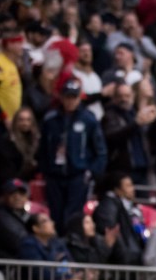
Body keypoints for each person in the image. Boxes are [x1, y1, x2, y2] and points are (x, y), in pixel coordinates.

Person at [39, 78, 107, 224]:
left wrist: (91, 173)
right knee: (55, 214)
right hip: (54, 175)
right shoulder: (50, 119)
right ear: (62, 97)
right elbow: (43, 148)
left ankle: (71, 243)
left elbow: (100, 150)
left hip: (78, 174)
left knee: (73, 215)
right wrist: (45, 170)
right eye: (67, 97)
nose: (70, 101)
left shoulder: (89, 120)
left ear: (79, 98)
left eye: (74, 97)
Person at [0, 180, 32, 261]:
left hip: (23, 262)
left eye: (21, 194)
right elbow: (18, 242)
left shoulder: (25, 215)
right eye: (12, 193)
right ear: (4, 196)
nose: (17, 197)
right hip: (8, 266)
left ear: (26, 197)